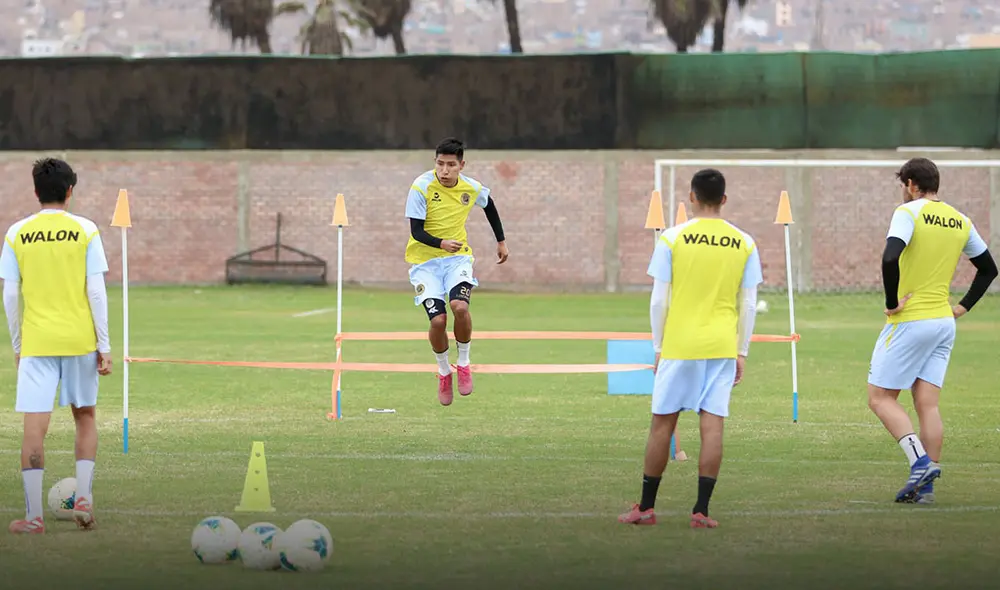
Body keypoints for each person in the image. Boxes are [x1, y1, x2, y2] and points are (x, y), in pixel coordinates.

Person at [618, 168, 762, 529]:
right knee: (712, 427)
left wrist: (657, 345)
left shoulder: (671, 239)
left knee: (662, 424)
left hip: (680, 345)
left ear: (691, 197)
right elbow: (748, 304)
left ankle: (646, 508)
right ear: (724, 200)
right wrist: (741, 350)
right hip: (721, 346)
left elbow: (658, 300)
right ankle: (701, 511)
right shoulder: (745, 242)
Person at [868, 157, 997, 504]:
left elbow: (889, 257)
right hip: (943, 322)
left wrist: (893, 300)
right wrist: (962, 307)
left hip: (911, 320)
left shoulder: (907, 212)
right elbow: (989, 269)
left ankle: (920, 463)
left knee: (880, 398)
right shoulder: (960, 220)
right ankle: (925, 492)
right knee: (928, 404)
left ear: (910, 184)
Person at [2, 158, 112, 534]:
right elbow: (96, 290)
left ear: (36, 191)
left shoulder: (16, 234)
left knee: (35, 426)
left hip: (37, 342)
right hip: (80, 339)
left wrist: (19, 345)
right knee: (85, 416)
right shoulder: (86, 230)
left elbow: (10, 295)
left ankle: (33, 517)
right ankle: (83, 499)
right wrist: (105, 344)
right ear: (70, 191)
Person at [405, 138, 508, 406]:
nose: (445, 170)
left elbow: (489, 204)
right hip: (424, 263)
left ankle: (463, 363)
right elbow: (416, 232)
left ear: (461, 165)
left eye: (451, 165)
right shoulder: (421, 187)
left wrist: (501, 241)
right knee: (438, 321)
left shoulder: (470, 187)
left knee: (460, 307)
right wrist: (441, 243)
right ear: (435, 162)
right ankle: (443, 371)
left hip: (457, 259)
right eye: (440, 164)